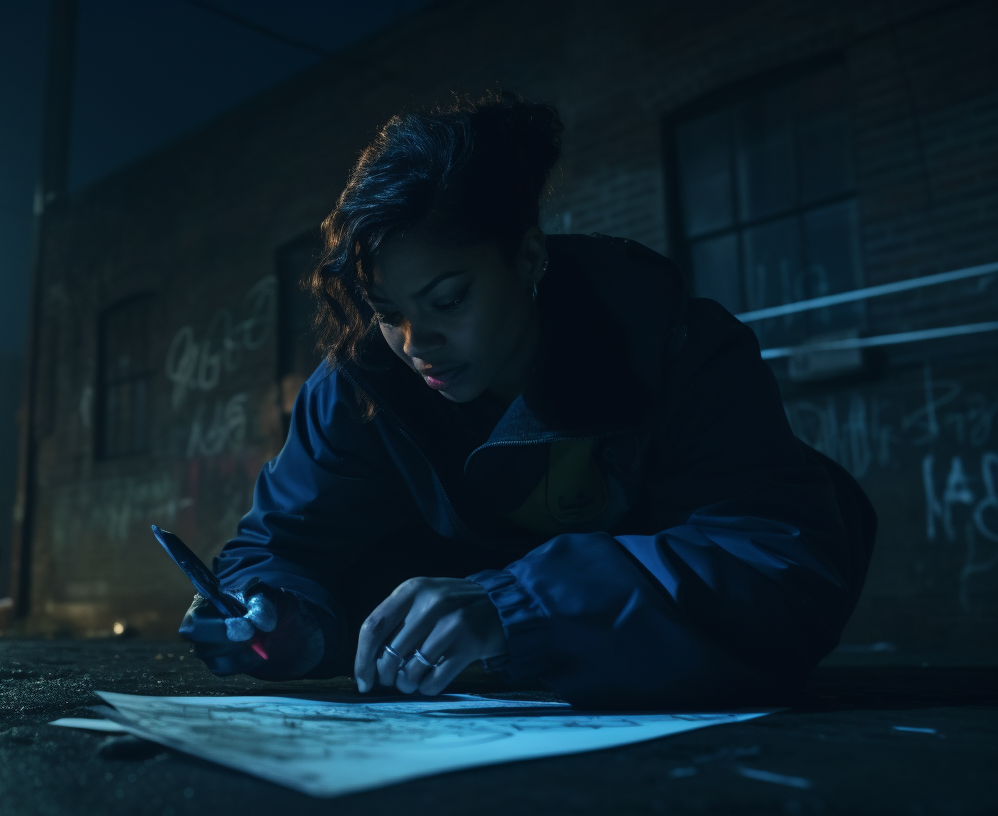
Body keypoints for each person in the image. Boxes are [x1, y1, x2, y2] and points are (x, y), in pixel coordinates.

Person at [178, 93, 875, 709]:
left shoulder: (678, 346)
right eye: (387, 310)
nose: (418, 343)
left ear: (529, 257)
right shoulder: (356, 389)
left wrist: (523, 606)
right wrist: (281, 619)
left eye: (450, 299)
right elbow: (278, 547)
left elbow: (779, 567)